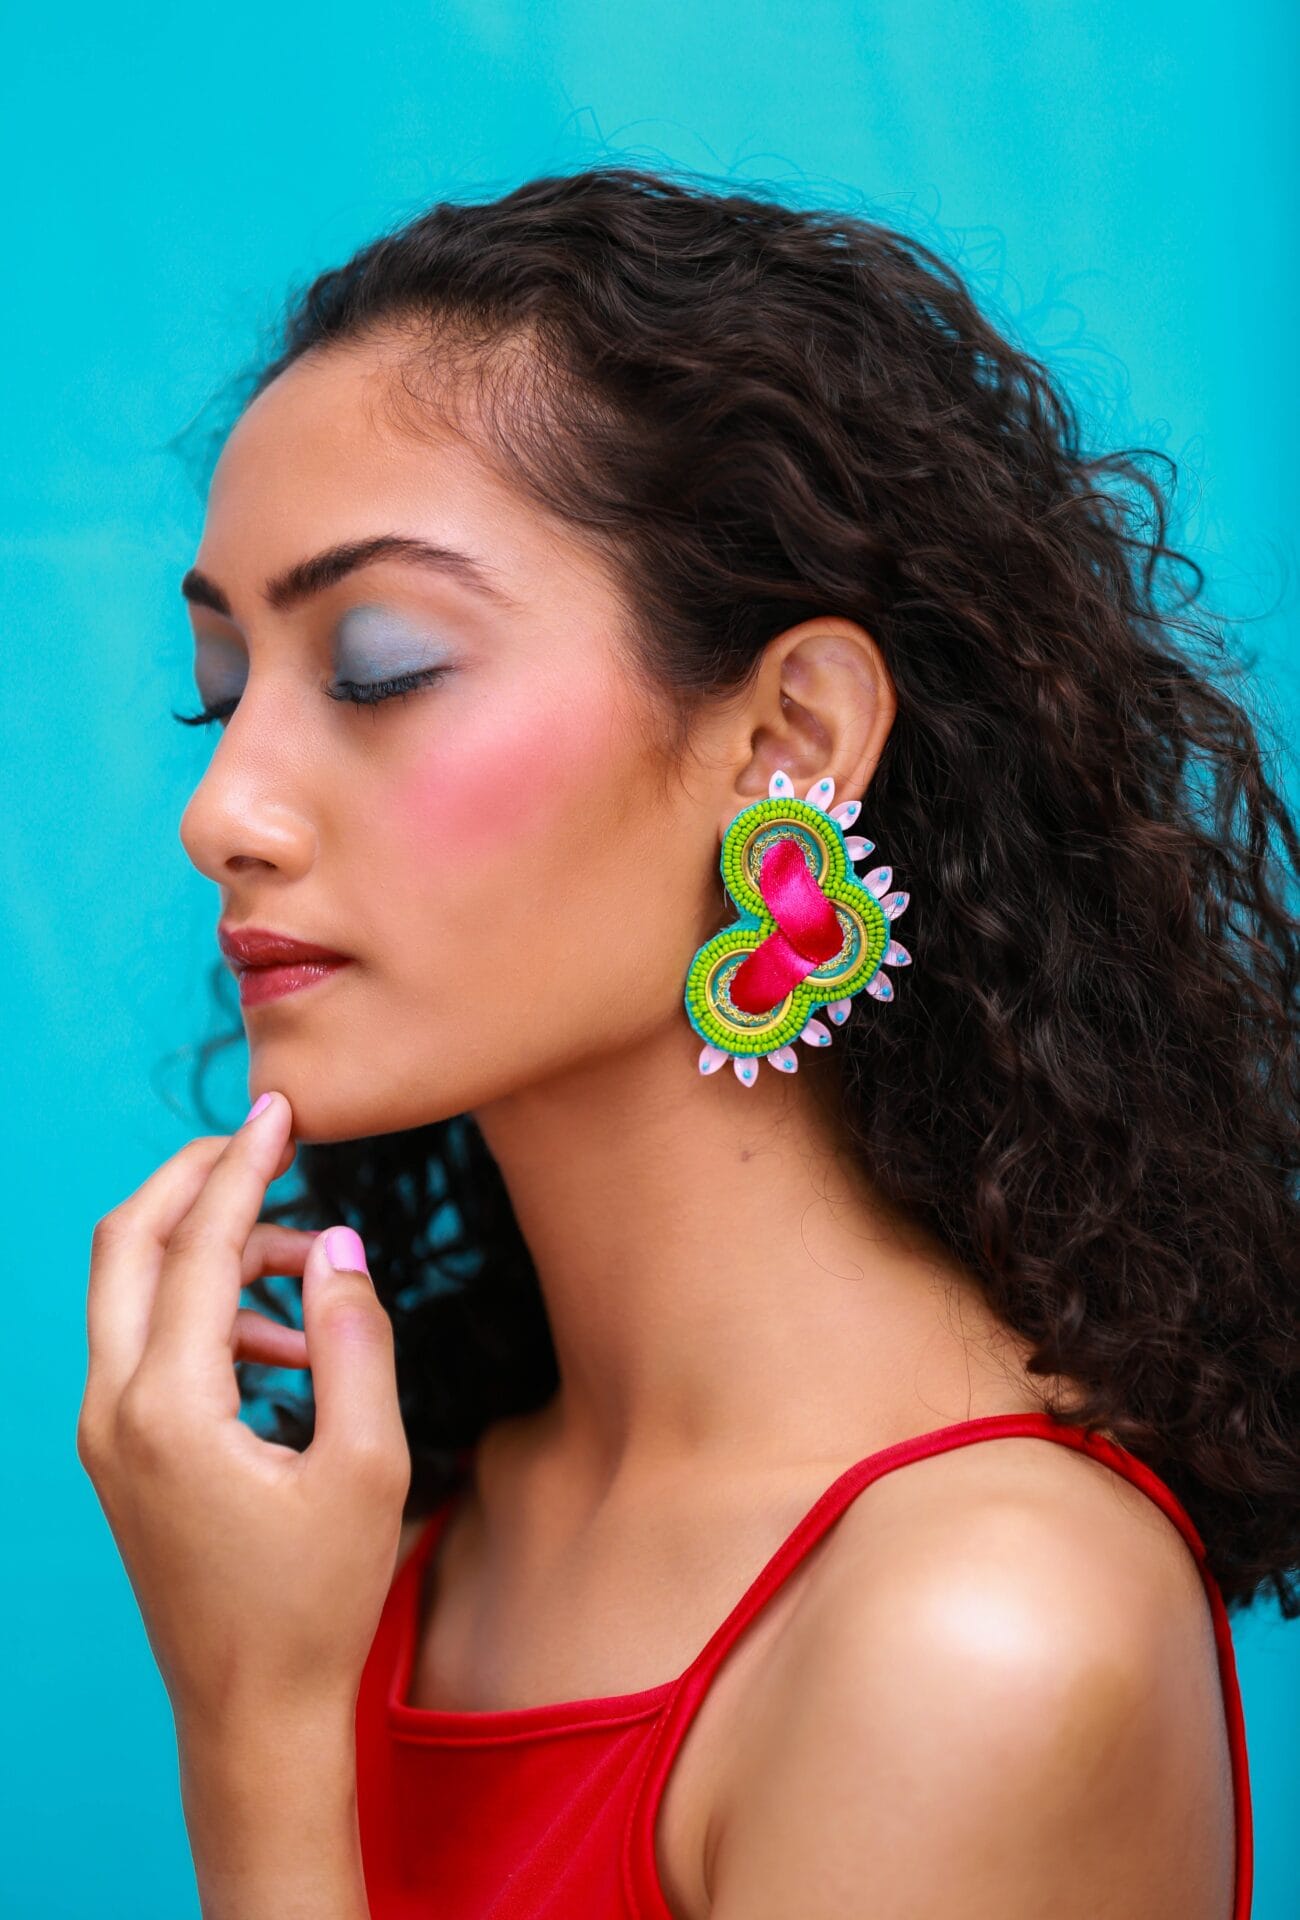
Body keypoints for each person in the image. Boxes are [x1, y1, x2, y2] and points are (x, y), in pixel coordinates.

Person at [77, 164, 1299, 1920]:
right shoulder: (394, 1522)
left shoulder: (979, 1633)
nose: (223, 812)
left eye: (379, 666)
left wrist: (259, 1737)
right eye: (222, 691)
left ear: (788, 738)